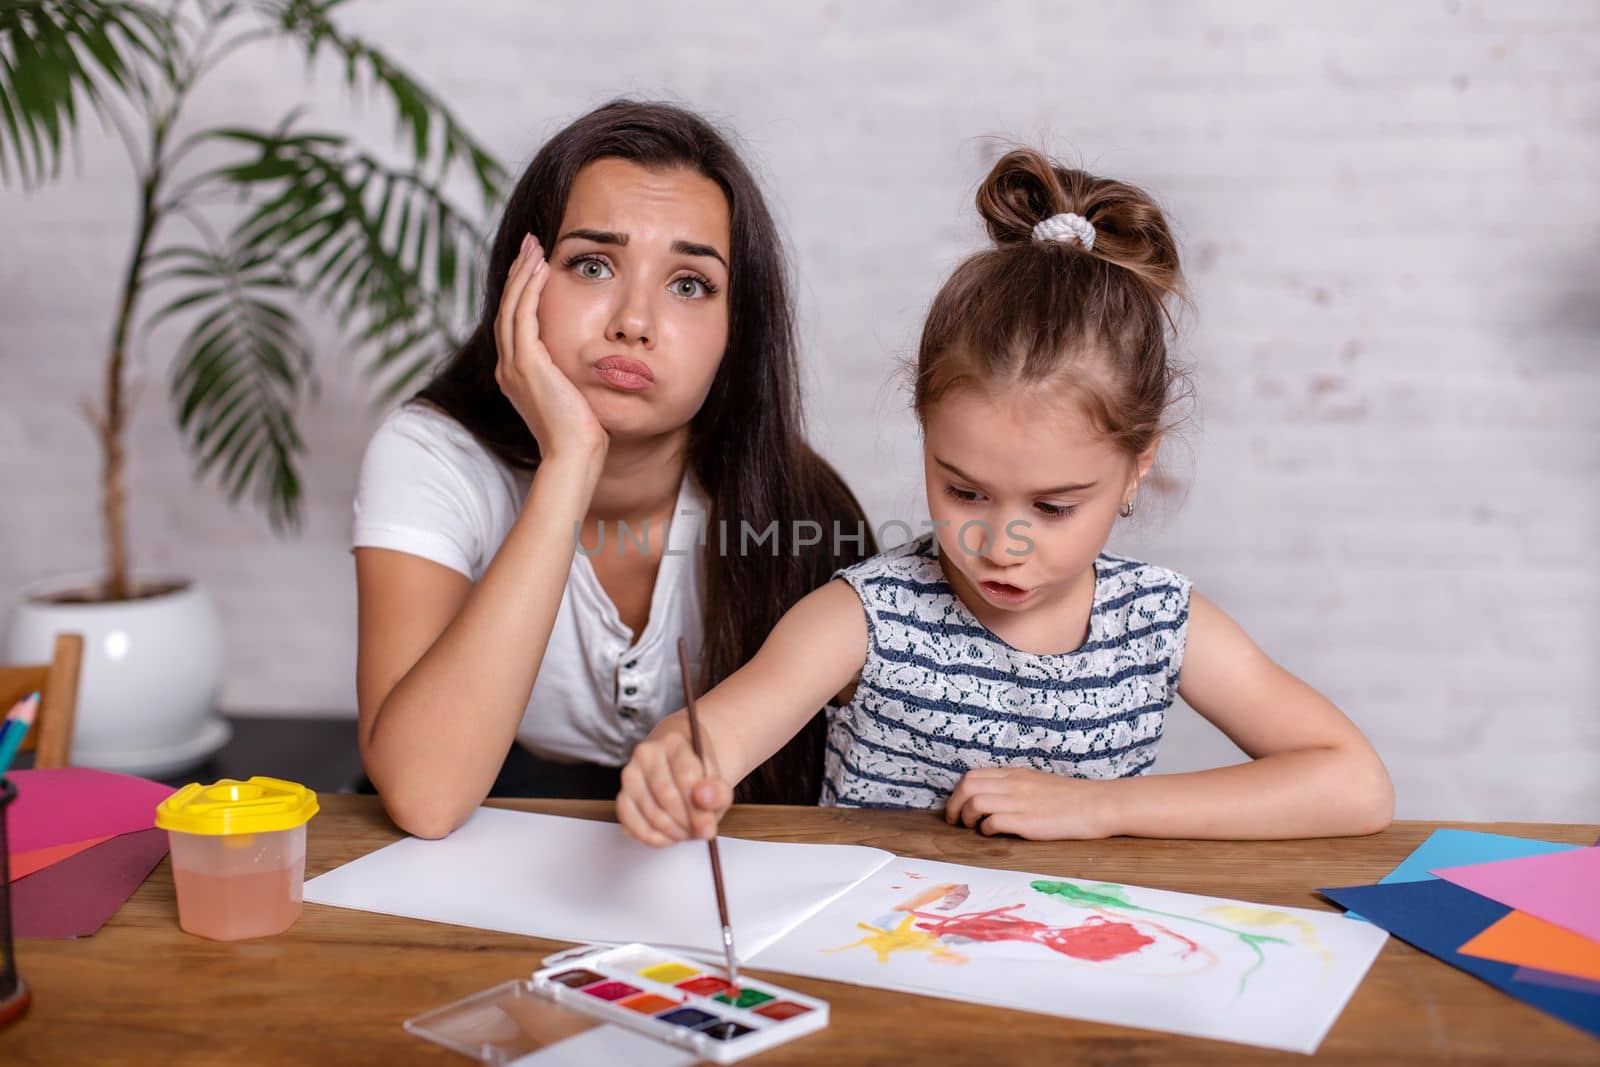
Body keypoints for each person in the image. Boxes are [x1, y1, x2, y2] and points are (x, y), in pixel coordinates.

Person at [617, 147, 1394, 844]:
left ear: (1136, 468)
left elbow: (1353, 783)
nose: (1001, 541)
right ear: (926, 436)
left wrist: (1100, 808)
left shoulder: (1158, 624)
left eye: (1053, 507)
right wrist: (674, 765)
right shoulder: (867, 617)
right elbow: (722, 730)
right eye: (964, 490)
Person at [353, 101, 874, 838]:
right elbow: (425, 795)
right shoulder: (432, 458)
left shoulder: (806, 510)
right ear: (520, 281)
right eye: (593, 265)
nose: (633, 319)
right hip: (486, 817)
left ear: (738, 328)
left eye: (689, 283)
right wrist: (569, 461)